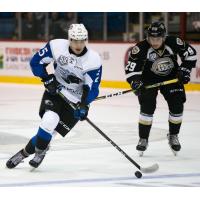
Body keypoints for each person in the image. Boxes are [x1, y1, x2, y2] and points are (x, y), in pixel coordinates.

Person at [6, 24, 102, 168]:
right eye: (75, 40)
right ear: (69, 39)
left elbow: (93, 89)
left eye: (82, 41)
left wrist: (84, 105)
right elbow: (35, 62)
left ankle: (24, 153)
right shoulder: (57, 46)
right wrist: (46, 78)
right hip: (57, 92)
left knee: (49, 136)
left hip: (76, 101)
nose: (79, 44)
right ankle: (38, 152)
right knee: (49, 121)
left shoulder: (93, 59)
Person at [125, 21, 197, 156]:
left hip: (172, 78)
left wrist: (185, 69)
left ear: (164, 37)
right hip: (148, 81)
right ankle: (143, 138)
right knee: (147, 106)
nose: (154, 41)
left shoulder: (174, 42)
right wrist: (135, 82)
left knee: (177, 105)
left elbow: (191, 54)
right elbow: (131, 69)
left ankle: (173, 135)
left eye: (157, 38)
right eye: (151, 38)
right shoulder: (141, 48)